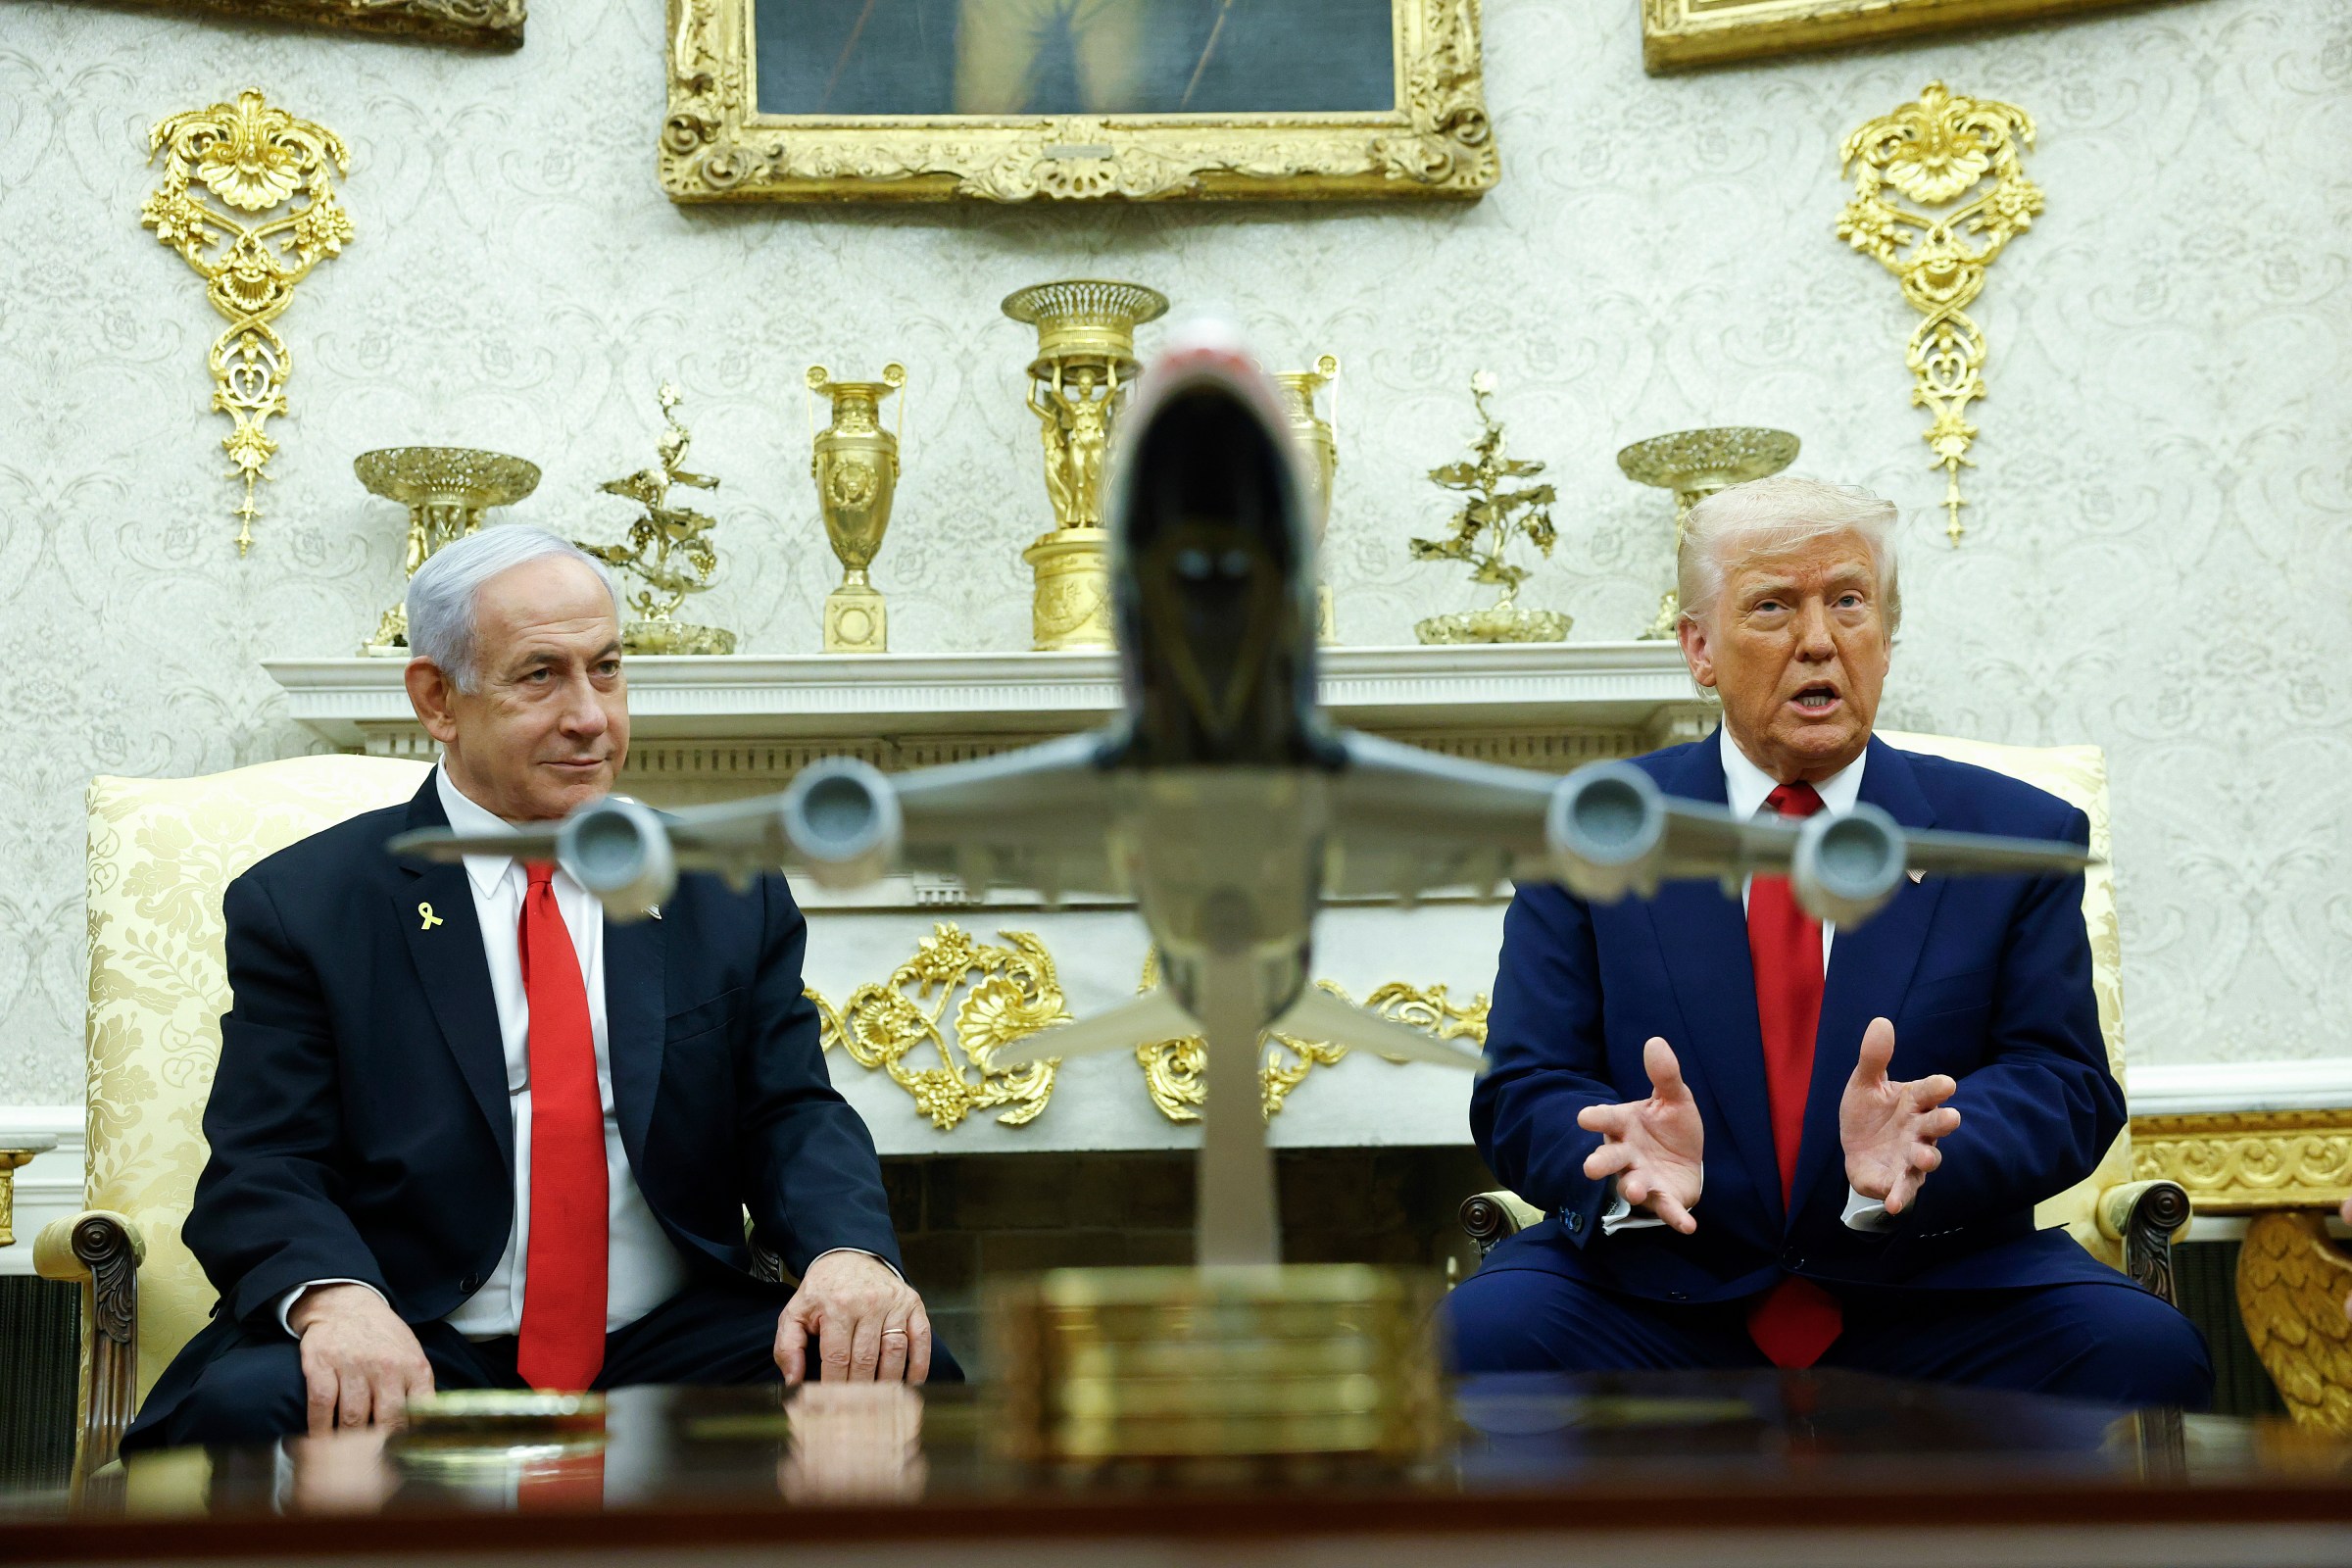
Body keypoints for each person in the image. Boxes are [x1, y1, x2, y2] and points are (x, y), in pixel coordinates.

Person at [126, 527, 954, 1450]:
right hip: (415, 1326)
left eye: (606, 670)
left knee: (902, 1373)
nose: (590, 717)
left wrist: (846, 1255)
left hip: (667, 1338)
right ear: (437, 699)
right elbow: (267, 1160)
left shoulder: (721, 886)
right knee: (251, 1409)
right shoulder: (309, 905)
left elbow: (790, 1111)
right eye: (540, 676)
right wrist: (338, 1301)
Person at [1446, 476, 2211, 1408]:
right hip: (1655, 1289)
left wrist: (1932, 1148)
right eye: (1772, 606)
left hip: (1937, 1287)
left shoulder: (2010, 837)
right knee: (1479, 1337)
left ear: (1885, 637)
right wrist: (1620, 1165)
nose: (1819, 640)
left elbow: (2065, 1083)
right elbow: (1523, 1086)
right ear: (1699, 648)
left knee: (2143, 1351)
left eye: (1848, 602)